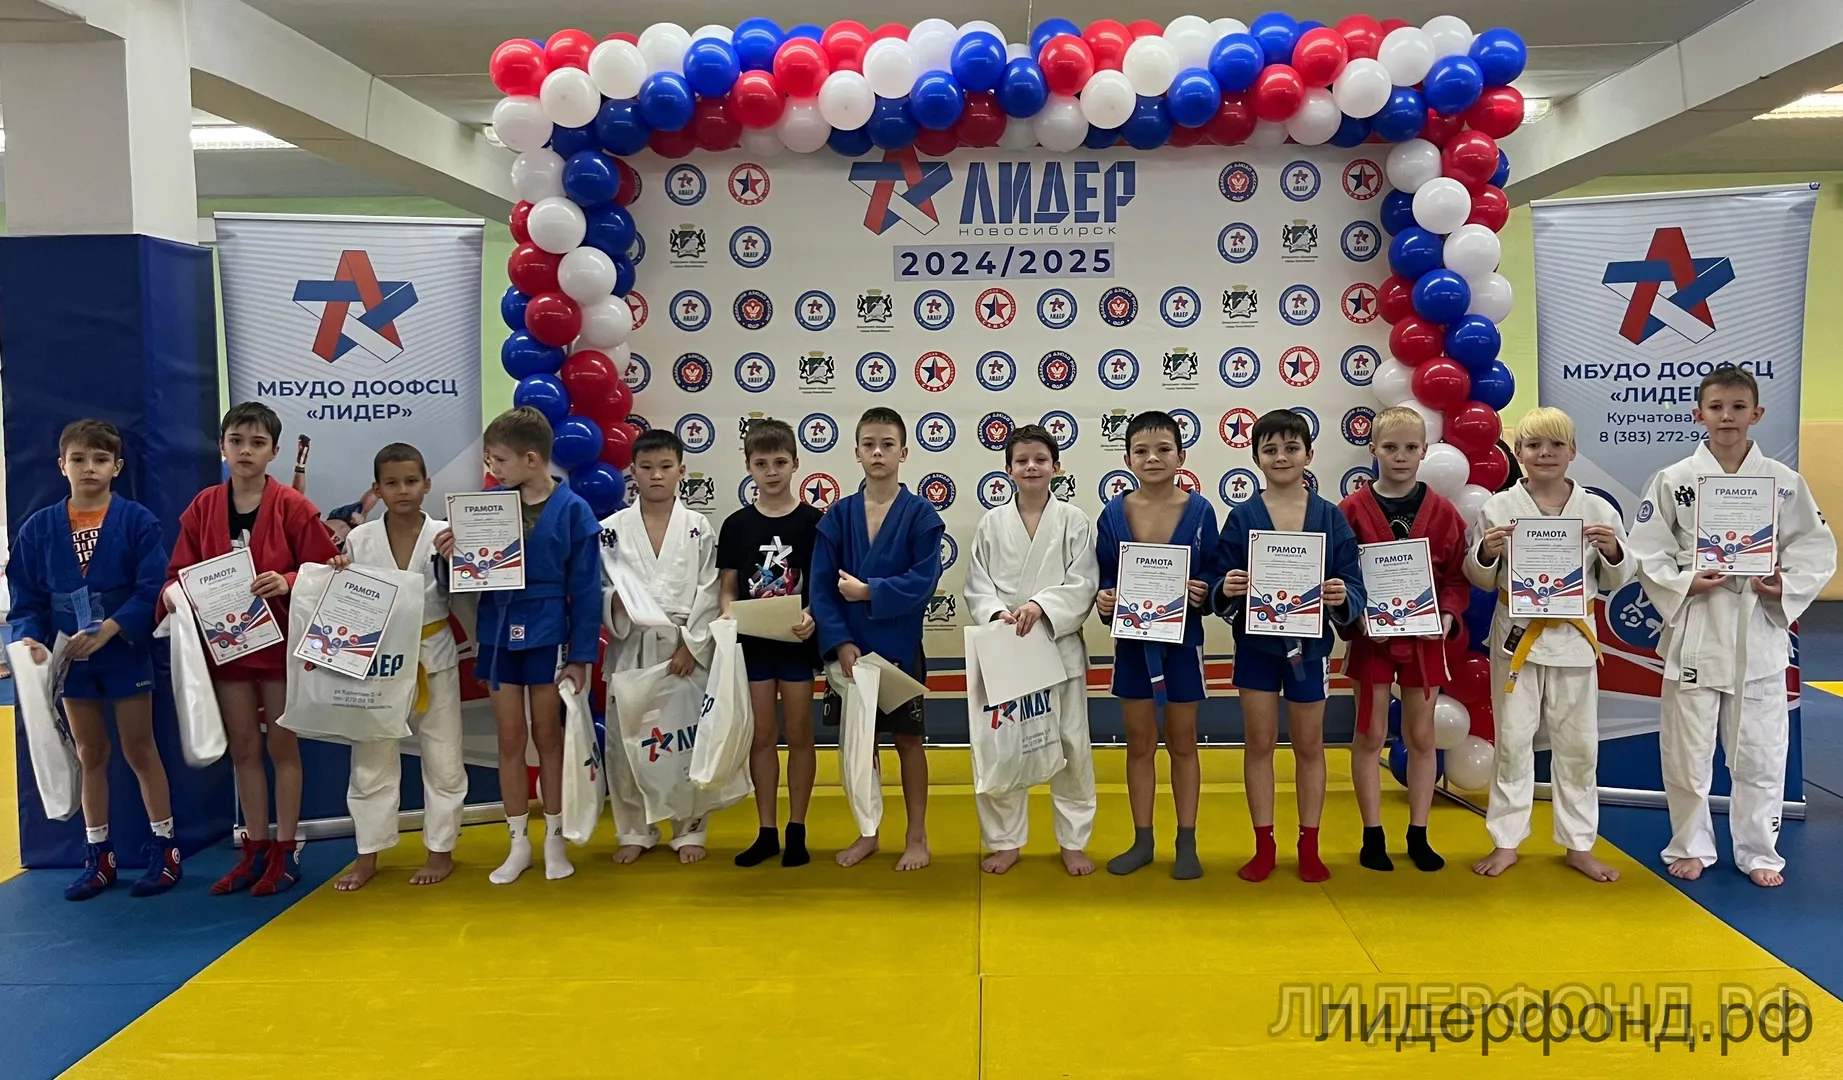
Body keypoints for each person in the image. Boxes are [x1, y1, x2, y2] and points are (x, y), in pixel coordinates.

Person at [1629, 368, 1836, 888]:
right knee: (1687, 754)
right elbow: (1647, 550)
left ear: (1756, 414)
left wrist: (1783, 585)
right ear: (1698, 414)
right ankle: (1690, 845)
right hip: (1697, 631)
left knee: (1761, 753)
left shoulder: (1784, 483)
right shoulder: (1674, 479)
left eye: (1738, 407)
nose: (1727, 417)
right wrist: (1685, 582)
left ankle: (1759, 850)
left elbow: (1815, 548)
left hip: (1756, 631)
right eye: (1717, 407)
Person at [167, 402, 342, 896]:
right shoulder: (203, 507)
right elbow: (178, 573)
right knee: (243, 747)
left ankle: (286, 849)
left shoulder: (292, 506)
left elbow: (328, 568)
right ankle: (256, 847)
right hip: (229, 647)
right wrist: (177, 595)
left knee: (282, 745)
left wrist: (287, 580)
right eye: (237, 441)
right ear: (222, 447)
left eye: (257, 443)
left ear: (275, 452)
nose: (246, 451)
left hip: (280, 645)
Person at [8, 419, 177, 900]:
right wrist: (31, 640)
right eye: (78, 459)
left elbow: (152, 587)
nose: (89, 468)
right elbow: (25, 599)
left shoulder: (137, 521)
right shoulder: (38, 528)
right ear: (61, 465)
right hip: (70, 656)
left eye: (100, 459)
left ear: (116, 467)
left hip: (123, 648)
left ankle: (165, 849)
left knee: (140, 748)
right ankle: (99, 855)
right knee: (90, 753)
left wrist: (112, 628)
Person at [1463, 407, 1633, 881]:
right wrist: (1486, 553)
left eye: (1556, 445)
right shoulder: (1498, 508)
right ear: (1518, 453)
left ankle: (1579, 844)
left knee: (1578, 745)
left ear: (1572, 452)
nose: (1545, 453)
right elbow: (1478, 576)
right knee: (1513, 742)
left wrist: (1613, 551)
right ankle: (1506, 841)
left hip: (1574, 638)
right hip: (1517, 637)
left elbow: (1619, 576)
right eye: (1534, 445)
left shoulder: (1597, 511)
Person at [437, 407, 601, 885]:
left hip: (549, 630)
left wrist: (581, 657)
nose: (493, 469)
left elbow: (587, 589)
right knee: (510, 738)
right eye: (489, 460)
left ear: (531, 459)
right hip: (498, 628)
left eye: (499, 460)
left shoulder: (573, 509)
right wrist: (449, 557)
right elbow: (463, 580)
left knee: (547, 737)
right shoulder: (486, 506)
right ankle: (518, 844)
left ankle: (554, 841)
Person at [1215, 409, 1362, 883]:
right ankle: (1264, 845)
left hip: (1310, 649)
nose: (1281, 457)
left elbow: (1353, 582)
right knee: (1259, 743)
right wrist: (1226, 587)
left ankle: (1309, 845)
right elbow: (1218, 577)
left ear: (1309, 455)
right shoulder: (1243, 517)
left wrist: (1342, 594)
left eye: (1291, 448)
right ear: (1256, 457)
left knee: (1309, 745)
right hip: (1256, 648)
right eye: (1271, 449)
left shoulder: (1329, 516)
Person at [1338, 406, 1473, 872]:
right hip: (1371, 638)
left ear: (1424, 451)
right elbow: (1340, 575)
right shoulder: (1351, 511)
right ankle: (1372, 834)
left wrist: (1449, 615)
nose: (1400, 456)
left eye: (1410, 447)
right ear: (1372, 449)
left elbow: (1456, 577)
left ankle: (1419, 832)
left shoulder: (1443, 512)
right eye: (1390, 447)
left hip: (1424, 638)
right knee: (1370, 734)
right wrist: (1354, 615)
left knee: (1421, 735)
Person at [811, 407, 945, 871]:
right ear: (856, 452)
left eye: (888, 444)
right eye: (869, 444)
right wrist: (839, 641)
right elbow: (821, 588)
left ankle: (916, 835)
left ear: (903, 453)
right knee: (860, 745)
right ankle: (868, 831)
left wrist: (870, 591)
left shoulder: (920, 514)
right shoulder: (838, 516)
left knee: (909, 742)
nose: (878, 452)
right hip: (850, 651)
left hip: (899, 649)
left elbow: (924, 580)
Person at [964, 424, 1100, 876]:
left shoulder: (1073, 520)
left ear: (1056, 467)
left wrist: (1041, 607)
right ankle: (1005, 842)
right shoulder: (991, 523)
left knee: (1072, 746)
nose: (1031, 467)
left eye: (1040, 459)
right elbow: (977, 584)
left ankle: (1073, 841)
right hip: (1006, 648)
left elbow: (1083, 582)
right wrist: (997, 614)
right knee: (1004, 746)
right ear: (1008, 470)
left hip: (1057, 647)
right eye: (1021, 460)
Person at [330, 443, 466, 890]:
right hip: (378, 661)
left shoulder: (447, 533)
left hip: (433, 654)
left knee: (444, 757)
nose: (402, 490)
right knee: (371, 760)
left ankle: (440, 851)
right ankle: (367, 854)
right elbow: (348, 602)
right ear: (377, 489)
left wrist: (459, 559)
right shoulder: (360, 539)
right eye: (391, 483)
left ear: (427, 484)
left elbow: (475, 593)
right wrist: (338, 572)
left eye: (411, 481)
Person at [1095, 411, 1219, 879]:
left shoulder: (1201, 511)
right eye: (1142, 451)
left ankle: (1187, 841)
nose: (1153, 458)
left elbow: (1214, 569)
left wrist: (1205, 589)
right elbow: (1104, 573)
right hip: (1133, 643)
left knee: (1184, 742)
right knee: (1140, 743)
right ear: (1127, 459)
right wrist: (1105, 597)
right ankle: (1142, 839)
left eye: (1163, 449)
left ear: (1181, 455)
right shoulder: (1113, 514)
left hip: (1183, 642)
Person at [603, 428, 721, 864]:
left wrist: (692, 645)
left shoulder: (697, 527)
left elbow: (710, 590)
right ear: (632, 472)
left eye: (666, 467)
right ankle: (634, 829)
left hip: (682, 649)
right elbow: (597, 586)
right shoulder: (611, 530)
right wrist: (613, 603)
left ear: (681, 471)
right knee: (626, 743)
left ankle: (689, 829)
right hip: (631, 646)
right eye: (647, 467)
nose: (656, 475)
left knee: (685, 739)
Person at [718, 419, 822, 868]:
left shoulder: (815, 523)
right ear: (748, 467)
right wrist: (728, 612)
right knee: (761, 736)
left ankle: (797, 828)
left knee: (799, 733)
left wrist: (811, 615)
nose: (772, 472)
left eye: (780, 462)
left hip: (796, 643)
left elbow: (822, 585)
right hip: (754, 644)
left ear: (796, 464)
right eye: (761, 464)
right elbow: (728, 586)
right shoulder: (736, 525)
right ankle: (766, 831)